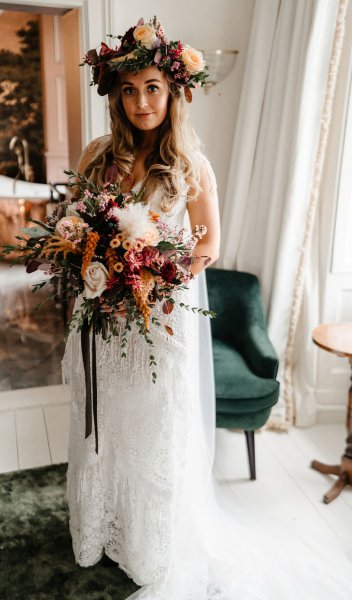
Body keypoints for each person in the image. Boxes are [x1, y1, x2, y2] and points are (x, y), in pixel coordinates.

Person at [62, 17, 352, 600]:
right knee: (108, 426)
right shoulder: (99, 156)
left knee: (153, 430)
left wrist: (155, 279)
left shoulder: (191, 164)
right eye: (129, 89)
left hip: (161, 320)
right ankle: (104, 526)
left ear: (172, 93)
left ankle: (154, 544)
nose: (142, 102)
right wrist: (92, 261)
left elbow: (209, 245)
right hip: (104, 317)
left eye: (153, 88)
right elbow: (77, 227)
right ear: (115, 96)